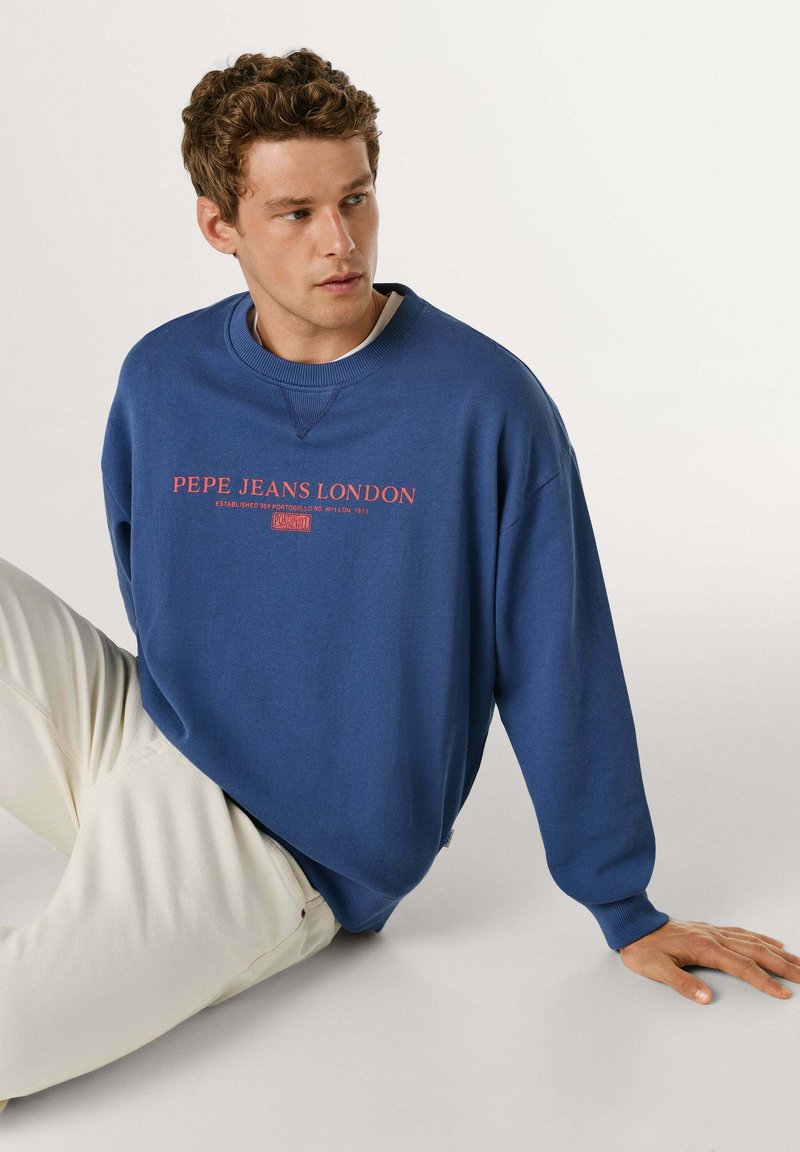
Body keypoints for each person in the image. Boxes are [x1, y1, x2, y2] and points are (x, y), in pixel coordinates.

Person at [1, 46, 797, 1113]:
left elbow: (556, 659)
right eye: (294, 213)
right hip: (140, 736)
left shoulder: (481, 403)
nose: (340, 241)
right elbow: (150, 569)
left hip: (281, 854)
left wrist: (623, 905)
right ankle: (120, 875)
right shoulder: (161, 377)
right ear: (218, 225)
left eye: (356, 199)